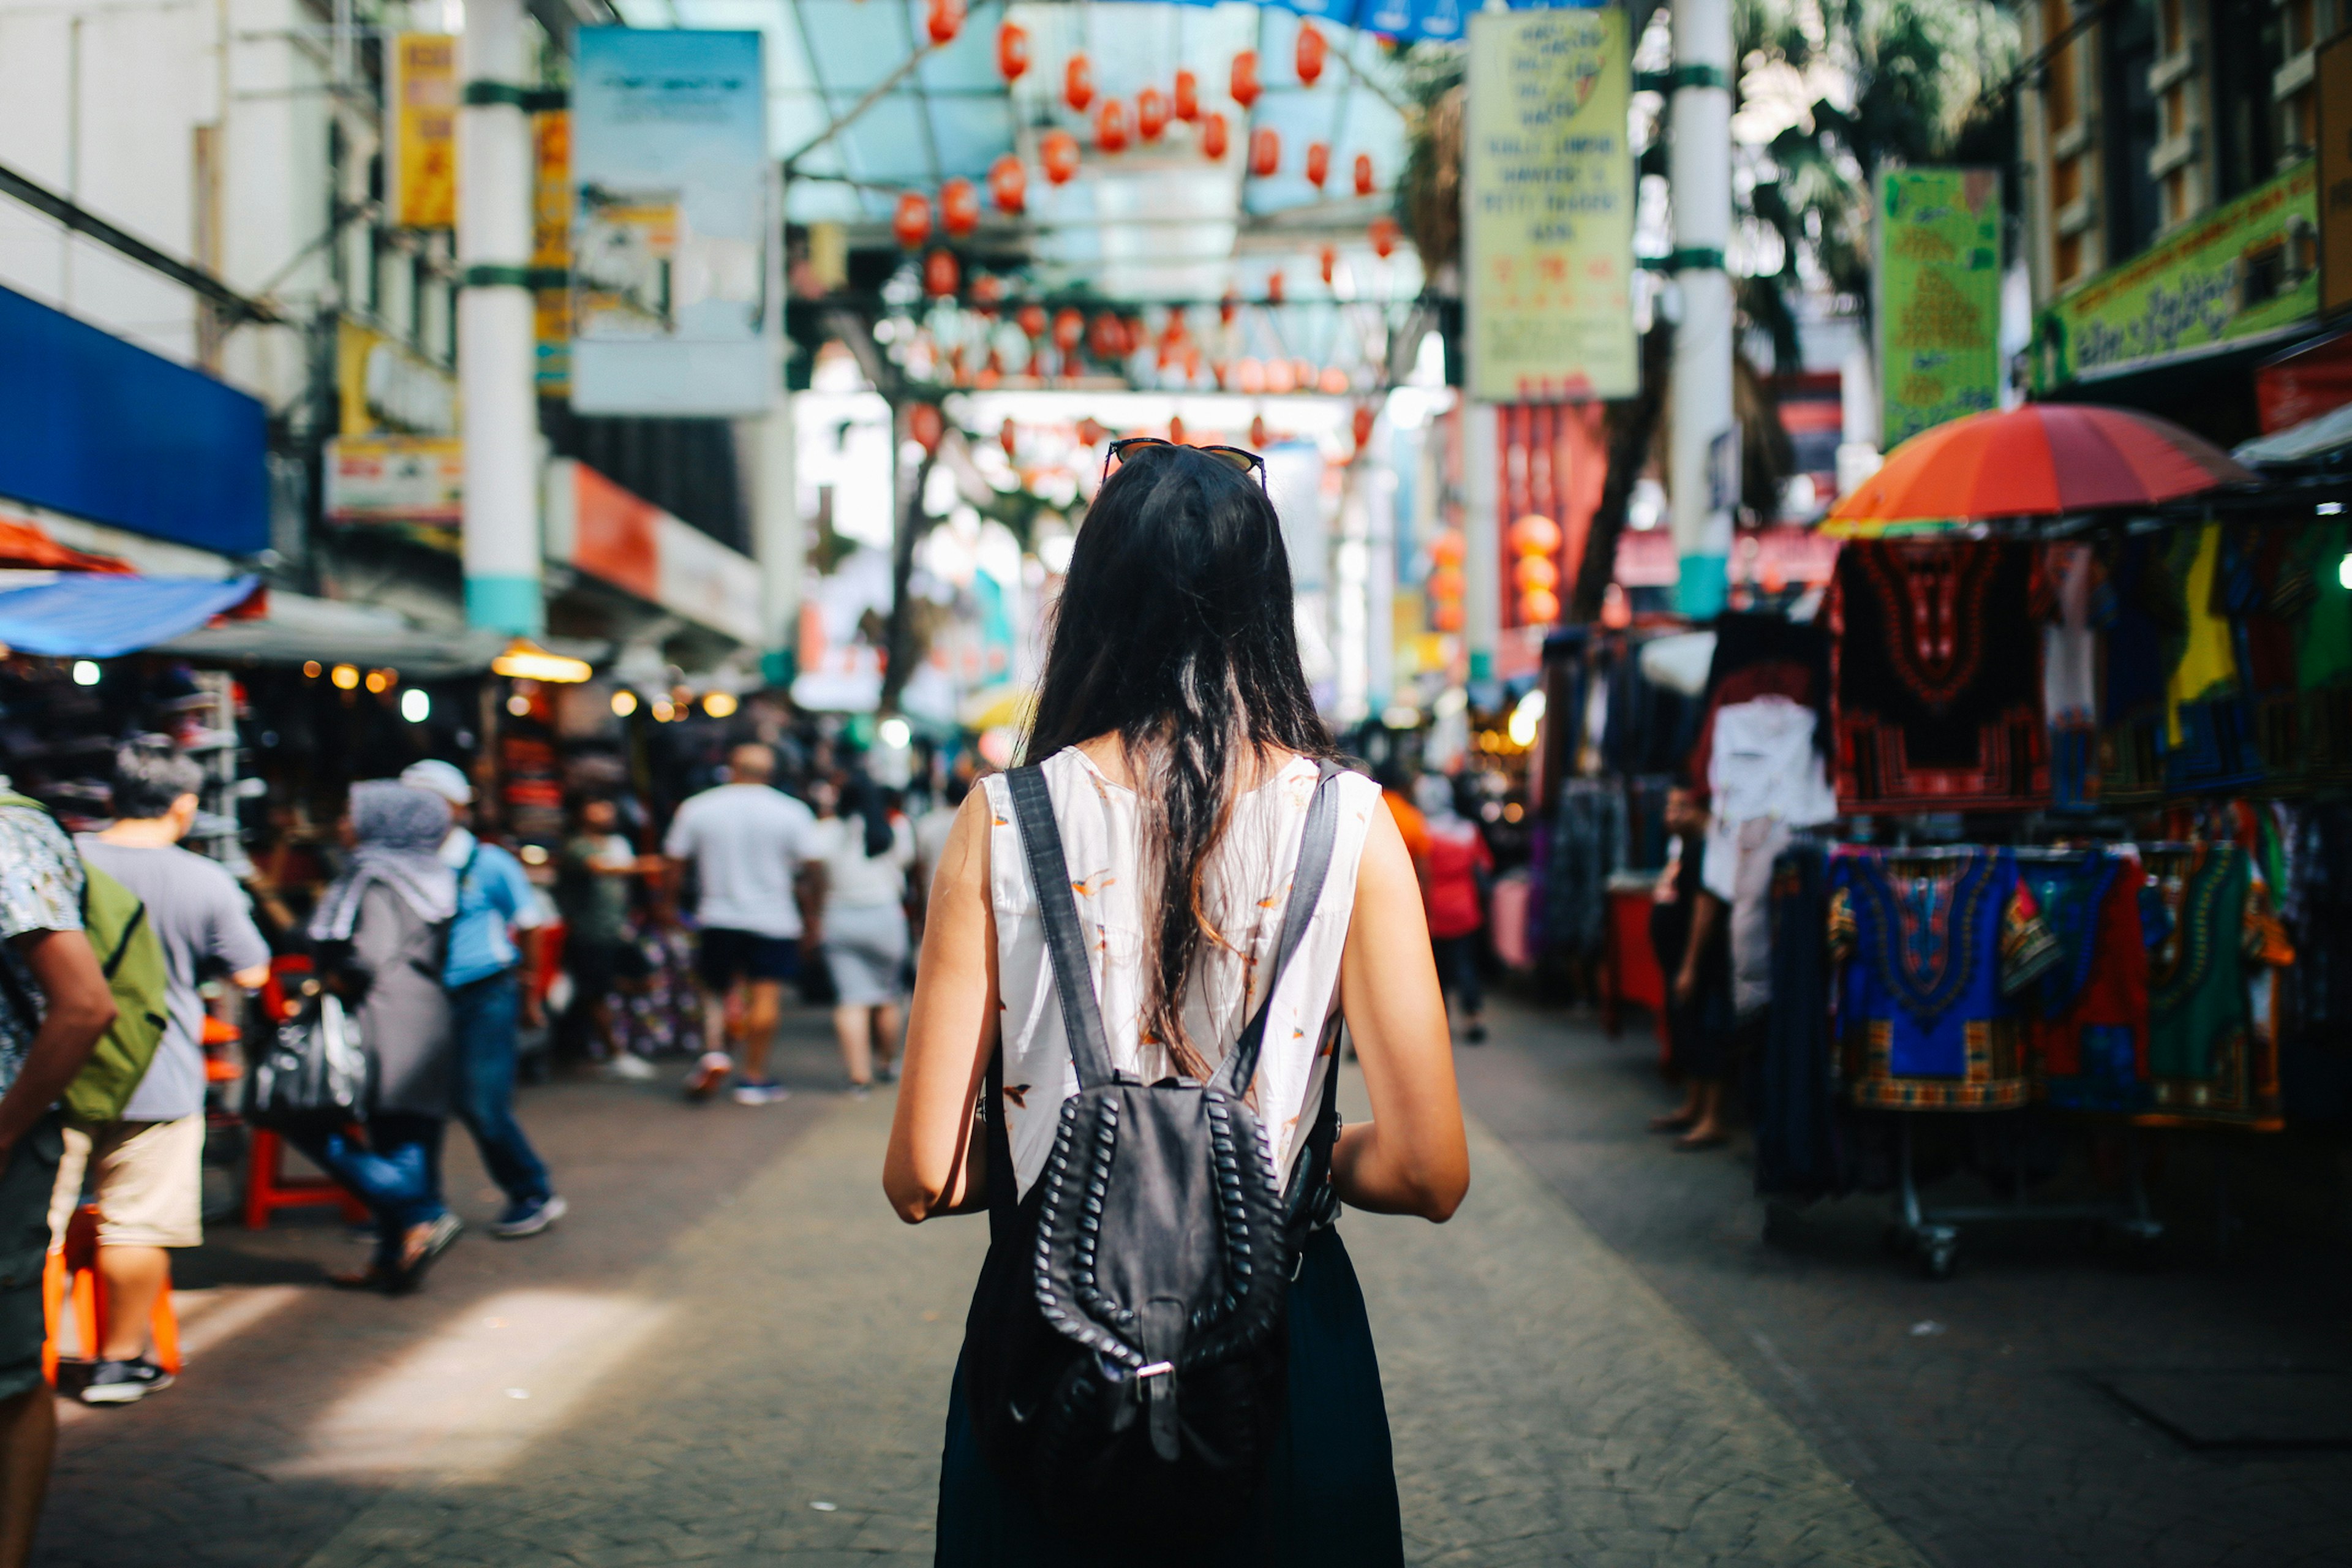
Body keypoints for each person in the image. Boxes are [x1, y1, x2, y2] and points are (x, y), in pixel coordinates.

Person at [884, 439, 1469, 1563]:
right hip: (1282, 1341)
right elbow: (1432, 1171)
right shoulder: (1352, 826)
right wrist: (1289, 1154)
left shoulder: (1003, 819)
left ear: (1092, 601)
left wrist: (1073, 1148)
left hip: (1055, 1344)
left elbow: (919, 1175)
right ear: (1267, 601)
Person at [61, 746, 271, 1404]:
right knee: (137, 1222)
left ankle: (20, 1351)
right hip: (156, 1071)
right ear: (184, 806)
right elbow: (253, 971)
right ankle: (118, 1363)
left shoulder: (64, 861)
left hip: (54, 1069)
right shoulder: (203, 880)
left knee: (30, 1222)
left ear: (111, 797)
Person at [0, 789, 115, 1568]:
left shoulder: (7, 835)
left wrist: (3, 1132)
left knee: (4, 1372)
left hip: (6, 1141)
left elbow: (83, 1006)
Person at [288, 782, 462, 1292]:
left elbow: (366, 957)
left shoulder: (379, 879)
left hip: (388, 1018)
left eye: (351, 814)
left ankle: (423, 1214)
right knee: (407, 1141)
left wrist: (328, 981)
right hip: (425, 1015)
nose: (343, 824)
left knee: (306, 1121)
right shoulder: (430, 877)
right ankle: (394, 1260)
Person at [399, 761, 565, 1237]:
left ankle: (532, 1191)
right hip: (422, 997)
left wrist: (531, 991)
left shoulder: (489, 863)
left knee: (482, 1102)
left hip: (485, 992)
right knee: (418, 1104)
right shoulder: (401, 863)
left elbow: (530, 923)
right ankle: (419, 1207)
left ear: (458, 808)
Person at [663, 742, 817, 1105]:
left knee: (714, 990)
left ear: (730, 768)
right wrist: (813, 916)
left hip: (717, 915)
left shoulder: (698, 808)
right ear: (770, 773)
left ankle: (715, 1052)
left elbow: (674, 861)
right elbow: (810, 870)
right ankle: (753, 1076)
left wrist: (667, 905)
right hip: (774, 918)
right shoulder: (792, 812)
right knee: (765, 994)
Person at [804, 772, 915, 1095]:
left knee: (851, 1000)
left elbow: (812, 873)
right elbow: (907, 867)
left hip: (840, 918)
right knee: (887, 996)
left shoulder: (826, 831)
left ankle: (858, 1077)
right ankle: (886, 1063)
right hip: (885, 918)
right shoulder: (896, 828)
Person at [1648, 783, 1733, 1150]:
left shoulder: (1709, 849)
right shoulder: (1687, 848)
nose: (1672, 815)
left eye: (1681, 807)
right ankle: (1692, 1106)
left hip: (1706, 965)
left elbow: (1705, 908)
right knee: (1689, 1031)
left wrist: (1690, 965)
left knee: (1708, 1033)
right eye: (1670, 807)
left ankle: (1712, 1119)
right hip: (1685, 961)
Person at [552, 794, 655, 1079]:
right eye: (597, 805)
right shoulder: (576, 847)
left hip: (617, 930)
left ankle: (590, 1015)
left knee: (644, 980)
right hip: (589, 932)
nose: (605, 811)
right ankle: (614, 1054)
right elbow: (600, 867)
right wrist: (654, 865)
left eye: (607, 805)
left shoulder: (618, 844)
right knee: (596, 994)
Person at [1415, 772, 1493, 1044]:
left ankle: (1439, 1022)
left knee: (1437, 970)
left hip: (1433, 910)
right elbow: (1484, 866)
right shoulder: (1469, 831)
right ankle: (1474, 1017)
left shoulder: (1422, 831)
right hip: (1465, 908)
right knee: (1465, 965)